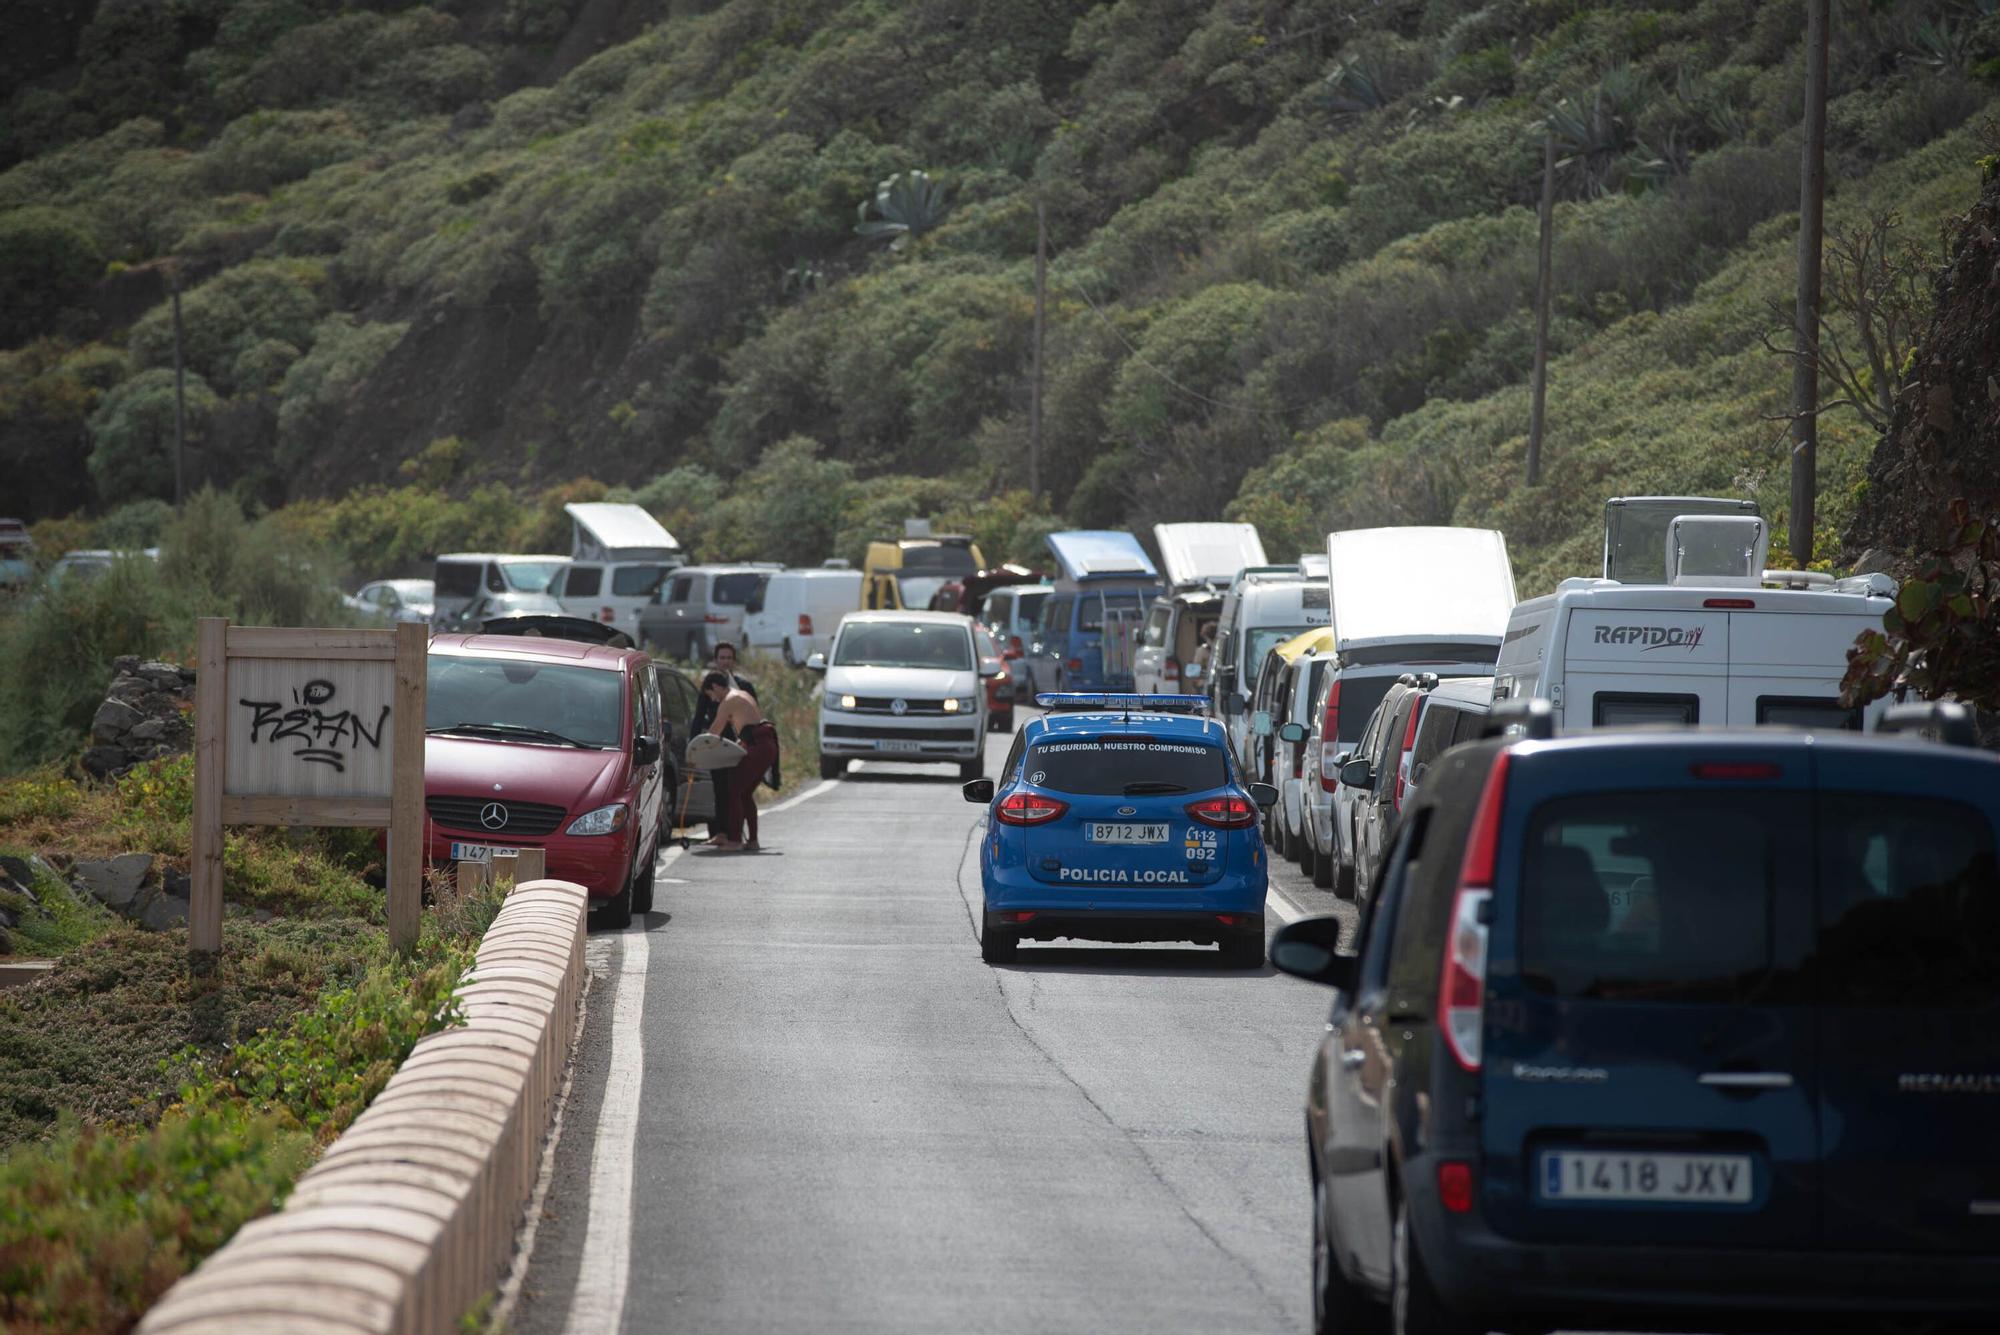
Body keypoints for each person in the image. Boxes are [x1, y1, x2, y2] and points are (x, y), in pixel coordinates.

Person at [701, 671, 778, 851]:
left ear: (715, 687)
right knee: (744, 793)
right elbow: (749, 726)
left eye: (711, 695)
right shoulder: (742, 694)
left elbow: (712, 734)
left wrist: (696, 755)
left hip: (758, 746)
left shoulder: (728, 701)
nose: (713, 700)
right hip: (766, 745)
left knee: (734, 791)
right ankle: (752, 840)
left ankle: (735, 840)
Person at [691, 642, 757, 844]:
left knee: (737, 790)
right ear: (716, 660)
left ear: (733, 660)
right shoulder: (709, 686)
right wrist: (693, 745)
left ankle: (737, 833)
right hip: (716, 746)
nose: (725, 661)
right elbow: (698, 717)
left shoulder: (743, 686)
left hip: (738, 747)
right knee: (719, 789)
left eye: (729, 658)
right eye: (722, 658)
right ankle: (720, 832)